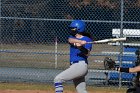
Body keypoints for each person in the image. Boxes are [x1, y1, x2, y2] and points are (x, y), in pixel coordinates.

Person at [54, 20, 93, 93]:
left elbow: (87, 53)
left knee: (58, 79)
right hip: (75, 66)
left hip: (80, 66)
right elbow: (70, 40)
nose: (71, 30)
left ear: (79, 29)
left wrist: (81, 47)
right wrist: (79, 42)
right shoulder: (73, 37)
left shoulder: (87, 39)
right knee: (81, 91)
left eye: (73, 28)